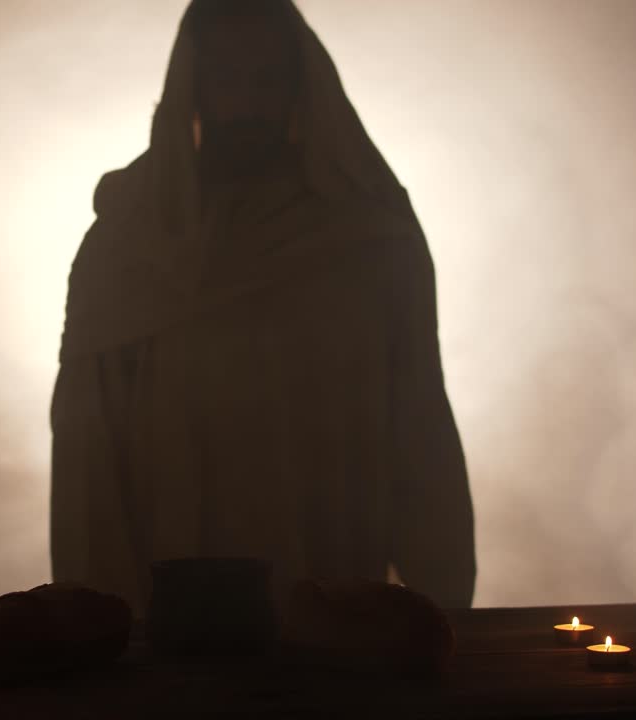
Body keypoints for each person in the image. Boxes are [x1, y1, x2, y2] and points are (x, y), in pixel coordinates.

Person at [50, 0, 475, 617]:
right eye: (225, 78)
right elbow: (88, 459)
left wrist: (442, 608)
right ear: (193, 88)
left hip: (330, 604)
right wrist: (98, 622)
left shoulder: (366, 234)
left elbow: (418, 421)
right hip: (173, 620)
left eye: (267, 79)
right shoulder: (127, 243)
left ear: (300, 88)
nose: (246, 104)